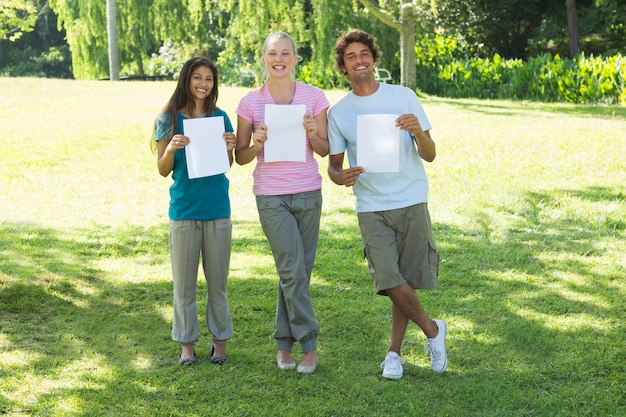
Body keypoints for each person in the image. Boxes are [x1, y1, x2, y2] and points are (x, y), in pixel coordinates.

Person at [327, 29, 448, 379]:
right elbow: (334, 166)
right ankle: (433, 330)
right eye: (351, 56)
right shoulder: (340, 113)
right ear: (343, 66)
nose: (359, 60)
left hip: (410, 198)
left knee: (405, 279)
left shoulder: (404, 96)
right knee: (388, 276)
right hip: (370, 204)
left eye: (364, 53)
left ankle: (393, 353)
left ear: (375, 59)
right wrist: (341, 175)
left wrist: (418, 133)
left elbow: (431, 154)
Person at [235, 31, 329, 374]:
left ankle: (282, 344)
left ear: (295, 58)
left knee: (297, 274)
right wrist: (257, 143)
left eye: (286, 53)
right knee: (292, 271)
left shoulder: (315, 98)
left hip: (308, 193)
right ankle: (310, 346)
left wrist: (311, 133)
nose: (279, 59)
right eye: (273, 53)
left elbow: (324, 149)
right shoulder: (250, 103)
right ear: (264, 59)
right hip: (272, 197)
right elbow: (240, 157)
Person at [154, 56, 235, 366]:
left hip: (217, 210)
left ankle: (220, 342)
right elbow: (162, 170)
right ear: (186, 80)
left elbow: (226, 164)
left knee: (218, 283)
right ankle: (187, 344)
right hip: (184, 211)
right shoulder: (169, 120)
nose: (204, 83)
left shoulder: (221, 117)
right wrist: (172, 149)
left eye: (209, 79)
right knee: (184, 283)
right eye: (198, 77)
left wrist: (229, 146)